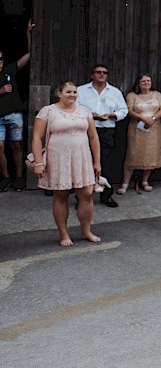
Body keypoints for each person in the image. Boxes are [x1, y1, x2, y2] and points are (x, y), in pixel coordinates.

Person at [31, 82, 102, 246]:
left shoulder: (84, 111)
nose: (72, 95)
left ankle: (86, 231)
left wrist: (97, 161)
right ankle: (63, 234)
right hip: (59, 158)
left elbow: (93, 137)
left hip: (82, 157)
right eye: (68, 91)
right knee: (61, 196)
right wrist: (38, 163)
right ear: (59, 93)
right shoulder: (48, 111)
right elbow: (36, 138)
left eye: (75, 92)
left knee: (87, 194)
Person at [76, 63, 127, 207]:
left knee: (107, 163)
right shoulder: (81, 90)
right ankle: (82, 198)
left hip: (107, 130)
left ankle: (106, 196)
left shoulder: (115, 92)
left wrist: (112, 115)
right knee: (83, 163)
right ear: (92, 75)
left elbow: (124, 110)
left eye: (104, 72)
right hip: (86, 130)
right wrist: (89, 115)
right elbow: (74, 108)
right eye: (98, 72)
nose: (102, 74)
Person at [0, 20, 34, 192]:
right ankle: (5, 177)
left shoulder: (9, 70)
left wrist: (28, 34)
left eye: (0, 58)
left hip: (14, 114)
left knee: (17, 146)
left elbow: (29, 56)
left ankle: (19, 177)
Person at [120, 73, 161, 195]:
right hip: (137, 128)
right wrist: (143, 118)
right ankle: (125, 183)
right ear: (138, 83)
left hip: (154, 128)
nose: (146, 83)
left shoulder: (157, 94)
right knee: (133, 153)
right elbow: (129, 110)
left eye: (148, 81)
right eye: (144, 81)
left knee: (151, 154)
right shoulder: (132, 95)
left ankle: (145, 181)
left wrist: (153, 118)